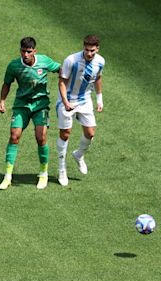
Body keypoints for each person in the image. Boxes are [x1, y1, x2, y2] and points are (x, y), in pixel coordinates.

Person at [0, 37, 61, 190]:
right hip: (22, 105)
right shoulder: (14, 65)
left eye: (28, 51)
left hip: (41, 106)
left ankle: (43, 174)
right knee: (14, 136)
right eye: (23, 51)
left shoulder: (44, 61)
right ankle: (8, 176)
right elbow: (7, 83)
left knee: (41, 137)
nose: (25, 54)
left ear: (34, 51)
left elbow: (62, 69)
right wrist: (2, 101)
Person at [55, 35, 105, 186]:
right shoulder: (71, 60)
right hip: (67, 100)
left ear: (97, 49)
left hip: (85, 100)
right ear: (83, 47)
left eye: (92, 51)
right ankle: (62, 169)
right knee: (65, 134)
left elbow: (98, 78)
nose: (89, 53)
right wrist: (65, 102)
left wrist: (99, 98)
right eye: (87, 50)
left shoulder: (100, 61)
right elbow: (62, 82)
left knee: (90, 133)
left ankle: (78, 155)